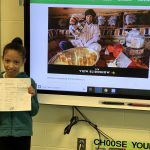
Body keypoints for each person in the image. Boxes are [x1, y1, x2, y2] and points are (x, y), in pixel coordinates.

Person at [0, 37, 39, 150]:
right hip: (2, 133)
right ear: (2, 59)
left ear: (23, 62)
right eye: (7, 61)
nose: (11, 66)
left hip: (23, 134)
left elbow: (34, 111)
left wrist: (32, 96)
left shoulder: (29, 83)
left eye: (16, 62)